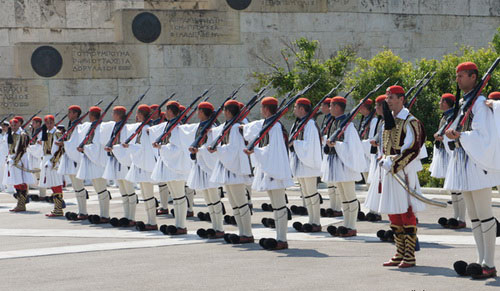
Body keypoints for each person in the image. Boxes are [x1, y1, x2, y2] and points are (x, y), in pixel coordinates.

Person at [445, 62, 500, 279]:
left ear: (473, 77)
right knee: (474, 216)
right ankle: (480, 260)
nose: (458, 79)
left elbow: (483, 134)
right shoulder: (464, 102)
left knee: (485, 215)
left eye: (461, 76)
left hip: (478, 164)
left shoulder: (479, 103)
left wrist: (460, 136)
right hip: (465, 163)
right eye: (457, 75)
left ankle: (489, 263)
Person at [378, 85, 426, 269]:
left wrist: (395, 163)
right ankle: (399, 252)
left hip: (403, 171)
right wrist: (383, 159)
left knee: (406, 211)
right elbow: (385, 146)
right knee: (393, 211)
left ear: (401, 99)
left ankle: (410, 255)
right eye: (387, 97)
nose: (388, 100)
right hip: (390, 171)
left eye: (392, 97)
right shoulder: (388, 121)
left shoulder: (410, 121)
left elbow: (413, 146)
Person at [242, 97, 294, 250]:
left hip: (276, 169)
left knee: (279, 205)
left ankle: (282, 239)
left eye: (262, 107)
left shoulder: (275, 126)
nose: (261, 110)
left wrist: (255, 150)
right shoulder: (269, 124)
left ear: (266, 109)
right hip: (271, 169)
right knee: (276, 206)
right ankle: (279, 236)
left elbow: (274, 151)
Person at [208, 100, 253, 243]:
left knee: (241, 202)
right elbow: (220, 130)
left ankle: (247, 233)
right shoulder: (229, 126)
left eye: (225, 111)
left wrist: (218, 149)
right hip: (228, 169)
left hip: (236, 170)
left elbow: (233, 149)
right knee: (234, 203)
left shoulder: (235, 128)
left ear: (228, 112)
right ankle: (242, 232)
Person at [322, 96, 366, 237]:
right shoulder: (336, 123)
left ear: (336, 107)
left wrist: (337, 144)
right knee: (343, 196)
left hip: (345, 165)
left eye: (331, 106)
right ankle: (346, 225)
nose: (329, 109)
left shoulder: (348, 126)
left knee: (350, 195)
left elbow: (352, 148)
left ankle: (351, 226)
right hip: (336, 163)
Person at [150, 101, 192, 235]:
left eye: (168, 111)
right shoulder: (169, 125)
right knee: (175, 197)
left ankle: (182, 225)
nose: (165, 113)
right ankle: (178, 224)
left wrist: (161, 147)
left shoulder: (177, 128)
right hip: (169, 164)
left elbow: (177, 148)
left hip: (176, 166)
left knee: (179, 196)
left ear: (172, 112)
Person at [186, 102, 225, 239]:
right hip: (201, 164)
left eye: (199, 111)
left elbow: (212, 148)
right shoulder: (202, 126)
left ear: (203, 112)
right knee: (208, 198)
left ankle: (219, 227)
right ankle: (214, 226)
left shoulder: (212, 128)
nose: (197, 113)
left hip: (209, 166)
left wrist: (199, 150)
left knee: (214, 197)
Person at [430, 93, 466, 229]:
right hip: (448, 153)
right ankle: (456, 216)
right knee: (454, 189)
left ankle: (461, 218)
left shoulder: (454, 115)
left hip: (454, 153)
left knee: (458, 189)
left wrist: (442, 137)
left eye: (441, 101)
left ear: (446, 103)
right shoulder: (449, 115)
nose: (439, 103)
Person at [122, 104, 158, 231]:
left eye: (138, 113)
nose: (136, 116)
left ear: (142, 114)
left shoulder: (147, 129)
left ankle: (152, 221)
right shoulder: (141, 128)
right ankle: (150, 220)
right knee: (145, 194)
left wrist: (129, 147)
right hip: (141, 164)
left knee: (148, 194)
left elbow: (143, 148)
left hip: (146, 164)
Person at [289, 98, 323, 232]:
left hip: (309, 164)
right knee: (306, 194)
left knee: (311, 193)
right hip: (301, 163)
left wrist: (295, 144)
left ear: (302, 109)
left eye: (296, 107)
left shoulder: (310, 125)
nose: (294, 110)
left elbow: (310, 146)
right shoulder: (299, 123)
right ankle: (311, 220)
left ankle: (316, 222)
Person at [102, 106, 138, 227]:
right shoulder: (116, 127)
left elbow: (125, 145)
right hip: (116, 160)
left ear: (118, 114)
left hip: (124, 162)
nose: (112, 115)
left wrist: (114, 148)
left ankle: (131, 217)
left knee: (129, 191)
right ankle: (126, 216)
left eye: (113, 113)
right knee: (123, 191)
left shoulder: (125, 128)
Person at [76, 106, 111, 224]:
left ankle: (105, 215)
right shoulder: (92, 127)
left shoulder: (100, 128)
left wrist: (84, 148)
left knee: (101, 189)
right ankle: (103, 214)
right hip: (92, 161)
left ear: (92, 115)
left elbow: (96, 147)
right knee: (98, 189)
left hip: (98, 161)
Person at [57, 105, 89, 221]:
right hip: (70, 159)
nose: (68, 114)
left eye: (70, 112)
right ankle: (81, 210)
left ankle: (83, 211)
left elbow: (75, 143)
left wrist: (63, 144)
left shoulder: (78, 127)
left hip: (75, 160)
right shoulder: (72, 126)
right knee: (76, 188)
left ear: (76, 114)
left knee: (79, 187)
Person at [5, 118, 36, 212]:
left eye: (15, 125)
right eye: (12, 125)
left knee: (21, 182)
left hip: (20, 159)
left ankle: (21, 204)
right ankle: (20, 203)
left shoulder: (23, 135)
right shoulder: (11, 134)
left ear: (19, 124)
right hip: (12, 160)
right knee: (16, 182)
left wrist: (16, 160)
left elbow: (22, 149)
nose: (13, 127)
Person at [364, 95, 386, 221]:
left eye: (378, 105)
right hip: (379, 157)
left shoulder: (386, 120)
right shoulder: (381, 120)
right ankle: (375, 211)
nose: (375, 108)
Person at [38, 115, 66, 217]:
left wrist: (53, 161)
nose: (49, 125)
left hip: (54, 161)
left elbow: (60, 149)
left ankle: (58, 209)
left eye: (51, 123)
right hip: (47, 160)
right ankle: (57, 208)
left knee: (56, 183)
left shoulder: (57, 133)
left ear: (54, 122)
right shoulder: (46, 133)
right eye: (47, 123)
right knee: (52, 184)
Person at [26, 116, 46, 201]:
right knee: (36, 176)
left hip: (38, 156)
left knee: (41, 176)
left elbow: (40, 145)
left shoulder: (41, 132)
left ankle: (42, 194)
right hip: (33, 156)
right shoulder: (34, 131)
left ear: (38, 123)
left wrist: (30, 147)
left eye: (34, 123)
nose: (32, 124)